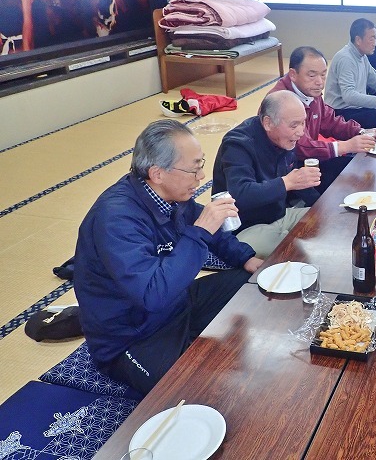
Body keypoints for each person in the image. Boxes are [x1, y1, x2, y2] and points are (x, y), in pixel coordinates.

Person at [73, 120, 264, 394]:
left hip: (176, 305)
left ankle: (191, 340)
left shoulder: (171, 194)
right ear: (157, 173)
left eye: (201, 165)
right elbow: (152, 295)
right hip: (132, 334)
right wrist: (199, 233)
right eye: (193, 169)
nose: (200, 177)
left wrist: (246, 258)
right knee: (186, 389)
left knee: (251, 283)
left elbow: (203, 222)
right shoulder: (116, 219)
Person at [212, 90, 321, 258]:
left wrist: (323, 204)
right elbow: (240, 194)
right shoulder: (237, 144)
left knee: (328, 223)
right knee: (296, 250)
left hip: (281, 214)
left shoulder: (285, 138)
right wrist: (287, 182)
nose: (300, 132)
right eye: (294, 125)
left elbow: (296, 180)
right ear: (268, 123)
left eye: (303, 123)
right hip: (247, 227)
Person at [270, 46, 376, 192]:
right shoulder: (281, 101)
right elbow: (300, 147)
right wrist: (345, 146)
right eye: (312, 75)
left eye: (323, 75)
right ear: (293, 74)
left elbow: (330, 122)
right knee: (349, 177)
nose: (319, 82)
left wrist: (361, 132)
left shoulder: (311, 93)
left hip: (309, 161)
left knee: (359, 169)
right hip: (285, 171)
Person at [325, 18, 376, 128]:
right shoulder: (345, 59)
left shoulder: (362, 56)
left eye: (375, 38)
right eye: (371, 39)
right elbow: (348, 95)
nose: (375, 43)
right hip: (340, 112)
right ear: (358, 40)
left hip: (356, 107)